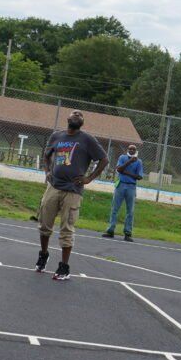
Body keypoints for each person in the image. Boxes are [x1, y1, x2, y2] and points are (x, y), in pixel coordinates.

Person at [36, 110, 109, 281]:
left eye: (80, 114)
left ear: (81, 123)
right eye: (74, 113)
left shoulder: (87, 139)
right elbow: (46, 156)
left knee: (67, 229)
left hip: (73, 190)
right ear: (68, 119)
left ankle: (64, 267)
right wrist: (47, 171)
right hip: (54, 187)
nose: (77, 114)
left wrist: (89, 177)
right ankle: (43, 255)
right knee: (45, 224)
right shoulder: (57, 136)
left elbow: (104, 159)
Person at [103, 144, 143, 241]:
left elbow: (139, 177)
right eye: (130, 149)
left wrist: (125, 173)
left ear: (136, 151)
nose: (132, 150)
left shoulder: (139, 161)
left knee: (130, 211)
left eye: (134, 149)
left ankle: (127, 233)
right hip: (120, 184)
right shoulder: (122, 157)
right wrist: (129, 162)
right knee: (115, 208)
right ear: (127, 150)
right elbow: (119, 169)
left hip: (131, 186)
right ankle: (110, 230)